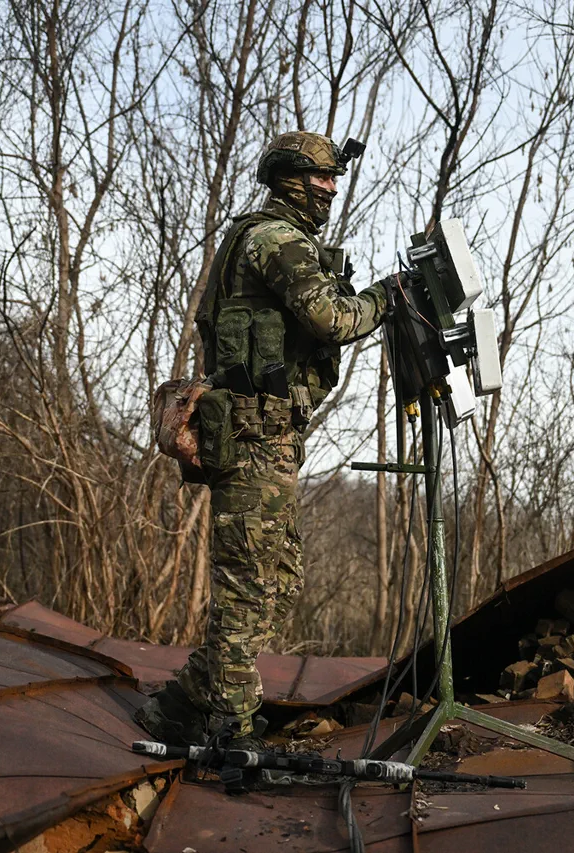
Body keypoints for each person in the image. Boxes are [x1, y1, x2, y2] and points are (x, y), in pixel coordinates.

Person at [134, 131, 389, 749]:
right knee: (250, 588)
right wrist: (387, 297)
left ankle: (181, 705)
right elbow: (331, 318)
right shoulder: (275, 239)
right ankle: (231, 728)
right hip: (251, 436)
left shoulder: (273, 237)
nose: (331, 188)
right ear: (288, 181)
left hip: (267, 438)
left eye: (334, 178)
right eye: (321, 178)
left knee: (277, 582)